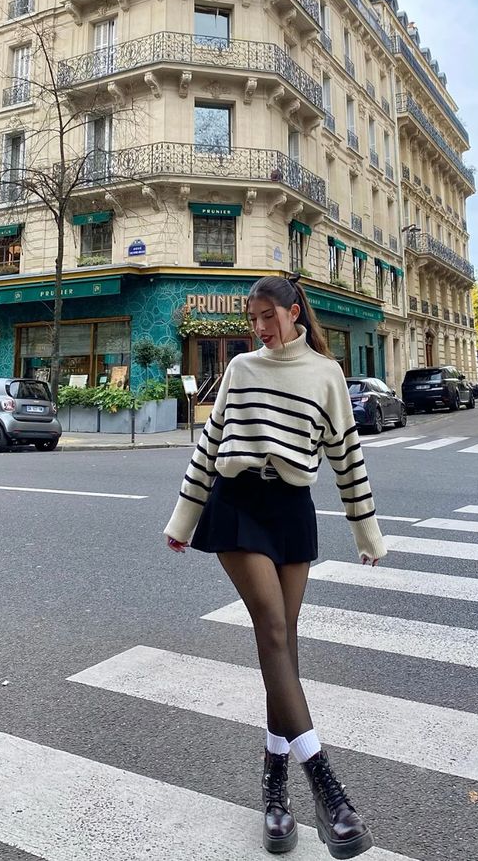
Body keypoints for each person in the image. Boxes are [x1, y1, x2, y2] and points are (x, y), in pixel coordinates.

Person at [164, 274, 387, 859]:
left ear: (293, 313)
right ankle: (328, 790)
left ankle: (274, 791)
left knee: (282, 646)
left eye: (267, 315)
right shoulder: (241, 369)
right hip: (237, 504)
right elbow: (210, 444)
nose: (259, 327)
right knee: (270, 628)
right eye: (252, 317)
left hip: (291, 509)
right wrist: (184, 519)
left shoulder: (326, 374)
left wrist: (366, 531)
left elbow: (347, 456)